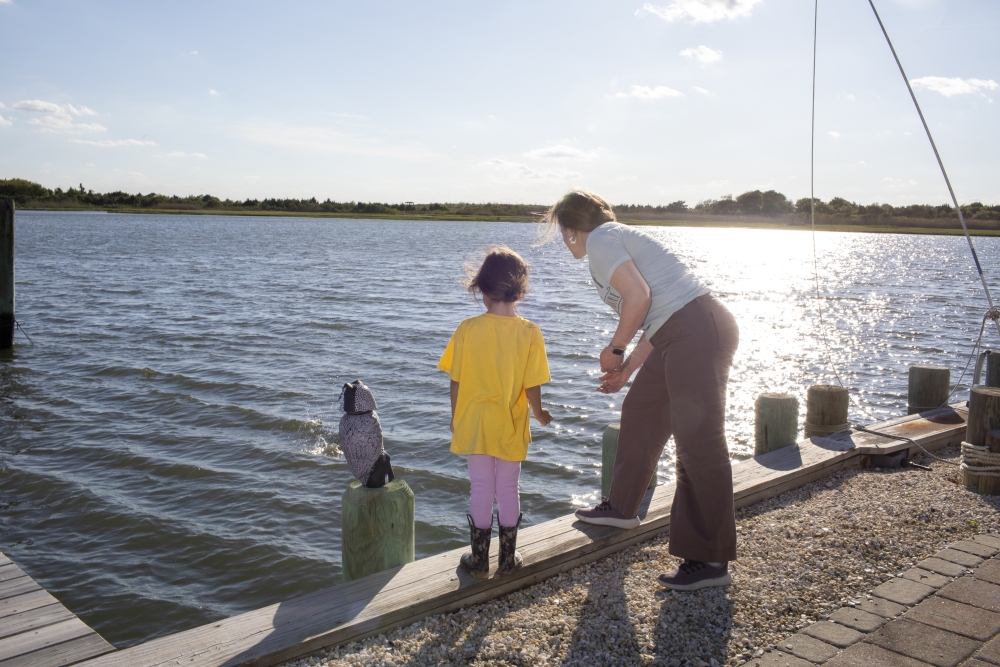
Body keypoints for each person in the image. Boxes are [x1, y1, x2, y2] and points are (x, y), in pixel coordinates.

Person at [544, 189, 739, 591]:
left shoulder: (601, 238)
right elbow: (654, 315)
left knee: (698, 443)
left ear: (569, 229)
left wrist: (615, 348)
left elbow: (639, 296)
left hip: (697, 330)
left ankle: (710, 559)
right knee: (641, 411)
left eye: (561, 232)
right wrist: (627, 369)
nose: (564, 241)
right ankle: (621, 508)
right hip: (676, 332)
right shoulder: (610, 238)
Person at [438, 245, 553, 578]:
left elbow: (456, 382)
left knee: (480, 488)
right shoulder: (530, 332)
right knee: (508, 489)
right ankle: (507, 560)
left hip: (474, 423)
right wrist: (541, 413)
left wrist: (455, 416)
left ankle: (478, 561)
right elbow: (532, 386)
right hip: (511, 423)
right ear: (518, 291)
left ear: (484, 289)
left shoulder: (468, 329)